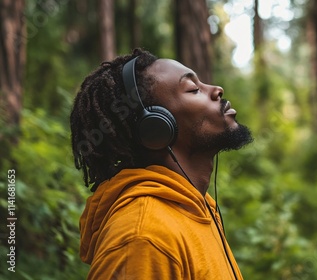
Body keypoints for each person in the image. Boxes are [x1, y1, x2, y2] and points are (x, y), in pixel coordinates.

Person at [70, 48, 253, 279]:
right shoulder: (144, 237)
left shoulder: (199, 208)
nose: (216, 90)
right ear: (156, 127)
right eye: (193, 89)